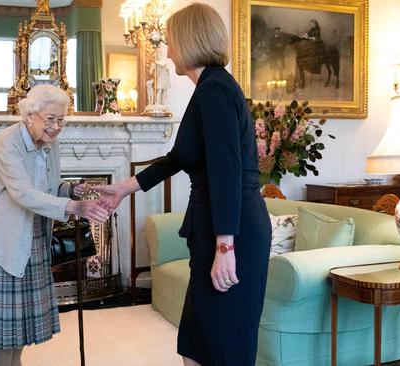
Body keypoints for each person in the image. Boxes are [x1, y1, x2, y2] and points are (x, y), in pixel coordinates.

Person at [95, 3, 271, 365]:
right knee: (197, 343)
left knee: (222, 346)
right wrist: (122, 189)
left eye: (171, 41)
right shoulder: (208, 87)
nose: (168, 48)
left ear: (191, 41)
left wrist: (225, 247)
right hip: (217, 227)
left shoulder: (214, 90)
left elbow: (226, 171)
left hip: (231, 231)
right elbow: (179, 157)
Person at [0, 84, 109, 366]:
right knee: (5, 329)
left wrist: (70, 190)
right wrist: (73, 208)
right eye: (50, 119)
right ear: (30, 115)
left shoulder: (50, 143)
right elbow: (22, 193)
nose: (56, 126)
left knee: (21, 322)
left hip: (34, 236)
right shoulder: (6, 143)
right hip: (6, 239)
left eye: (61, 120)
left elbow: (46, 187)